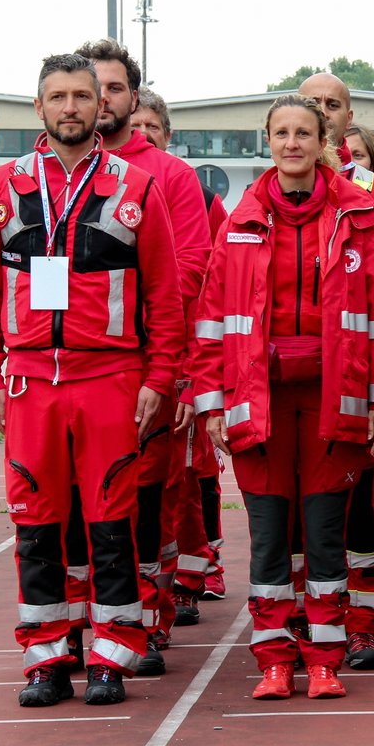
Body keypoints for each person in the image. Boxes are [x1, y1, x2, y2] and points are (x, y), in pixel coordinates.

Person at [0, 52, 184, 707]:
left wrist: (161, 376)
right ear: (39, 107)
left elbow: (166, 298)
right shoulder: (3, 188)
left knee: (112, 520)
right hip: (30, 380)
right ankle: (47, 658)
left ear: (102, 107)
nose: (71, 108)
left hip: (111, 377)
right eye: (57, 96)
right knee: (37, 522)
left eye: (82, 96)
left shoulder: (136, 188)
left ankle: (113, 654)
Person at [190, 94, 374, 700]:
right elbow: (210, 324)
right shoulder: (237, 222)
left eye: (303, 133)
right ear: (268, 141)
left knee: (324, 530)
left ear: (323, 143)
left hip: (335, 400)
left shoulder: (359, 217)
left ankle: (324, 659)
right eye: (281, 133)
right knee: (267, 534)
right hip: (257, 402)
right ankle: (274, 659)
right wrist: (210, 401)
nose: (292, 143)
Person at [74, 38, 212, 676]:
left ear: (133, 96)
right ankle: (80, 620)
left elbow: (187, 275)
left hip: (144, 368)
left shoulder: (172, 176)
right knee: (74, 506)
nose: (101, 99)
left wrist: (176, 373)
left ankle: (144, 619)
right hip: (70, 374)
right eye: (89, 87)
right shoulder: (48, 172)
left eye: (114, 88)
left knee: (145, 500)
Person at [299, 74, 374, 671]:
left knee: (368, 506)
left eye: (333, 105)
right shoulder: (272, 194)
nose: (322, 114)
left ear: (347, 119)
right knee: (303, 514)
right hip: (295, 388)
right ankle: (308, 619)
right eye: (311, 104)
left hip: (359, 385)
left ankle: (366, 621)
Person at [131, 87, 233, 609]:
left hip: (180, 355)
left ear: (167, 136)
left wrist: (199, 368)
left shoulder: (196, 194)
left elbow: (209, 279)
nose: (143, 134)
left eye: (153, 126)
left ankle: (193, 572)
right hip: (127, 357)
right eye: (137, 124)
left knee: (190, 474)